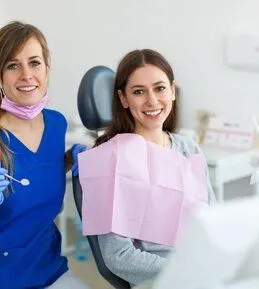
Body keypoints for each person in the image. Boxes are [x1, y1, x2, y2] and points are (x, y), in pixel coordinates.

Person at [0, 21, 88, 289]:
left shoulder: (56, 123)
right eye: (13, 65)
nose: (26, 74)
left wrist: (70, 158)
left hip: (47, 270)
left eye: (34, 62)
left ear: (47, 69)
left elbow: (37, 172)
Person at [76, 49, 216, 286]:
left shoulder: (189, 150)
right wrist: (186, 270)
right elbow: (118, 257)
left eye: (160, 88)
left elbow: (213, 223)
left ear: (172, 91)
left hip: (202, 271)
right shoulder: (111, 161)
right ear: (123, 99)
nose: (152, 101)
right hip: (161, 279)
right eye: (139, 92)